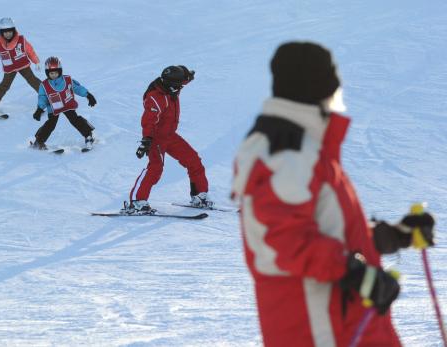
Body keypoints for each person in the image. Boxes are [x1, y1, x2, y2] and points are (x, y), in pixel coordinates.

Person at [230, 41, 436, 347]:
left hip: (341, 318)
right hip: (318, 326)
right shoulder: (286, 153)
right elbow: (284, 240)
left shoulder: (304, 148)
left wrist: (390, 236)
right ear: (322, 87)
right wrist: (357, 273)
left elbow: (324, 228)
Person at [124, 65, 212, 214]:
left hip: (170, 135)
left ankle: (199, 195)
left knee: (193, 160)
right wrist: (146, 140)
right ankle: (137, 202)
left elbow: (182, 80)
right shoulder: (156, 97)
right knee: (155, 168)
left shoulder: (172, 87)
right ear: (171, 85)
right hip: (156, 137)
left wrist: (189, 76)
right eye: (179, 86)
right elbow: (149, 120)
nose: (180, 88)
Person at [31, 56, 97, 150]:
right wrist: (39, 109)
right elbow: (42, 97)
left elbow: (77, 88)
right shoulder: (44, 85)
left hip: (67, 105)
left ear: (60, 71)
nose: (53, 75)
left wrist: (88, 95)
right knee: (50, 125)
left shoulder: (67, 80)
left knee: (75, 120)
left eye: (56, 73)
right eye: (51, 73)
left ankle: (88, 136)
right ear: (47, 73)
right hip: (53, 108)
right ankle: (39, 141)